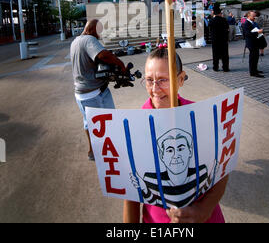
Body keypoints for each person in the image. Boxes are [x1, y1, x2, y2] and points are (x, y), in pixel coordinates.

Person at [123, 48, 228, 223]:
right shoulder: (135, 125)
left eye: (163, 80)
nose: (155, 89)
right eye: (149, 80)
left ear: (180, 79)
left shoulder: (201, 116)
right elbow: (131, 194)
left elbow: (222, 169)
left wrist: (204, 209)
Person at [70, 18, 126, 160]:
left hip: (80, 94)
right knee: (109, 121)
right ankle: (113, 151)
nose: (99, 36)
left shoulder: (75, 41)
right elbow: (103, 55)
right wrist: (120, 64)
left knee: (88, 122)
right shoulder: (89, 39)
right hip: (95, 94)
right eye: (99, 32)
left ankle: (92, 151)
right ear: (92, 29)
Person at [242, 11, 264, 77]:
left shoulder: (253, 22)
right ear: (248, 16)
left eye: (255, 15)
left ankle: (255, 69)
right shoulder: (246, 23)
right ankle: (253, 72)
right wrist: (258, 32)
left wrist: (260, 32)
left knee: (256, 57)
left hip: (256, 42)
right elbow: (247, 34)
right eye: (253, 16)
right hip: (251, 43)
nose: (254, 17)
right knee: (253, 58)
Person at [209, 4, 230, 72]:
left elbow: (210, 29)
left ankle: (215, 67)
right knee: (225, 55)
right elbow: (227, 29)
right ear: (220, 13)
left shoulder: (211, 20)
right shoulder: (224, 20)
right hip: (223, 40)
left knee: (215, 54)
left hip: (215, 40)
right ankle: (225, 68)